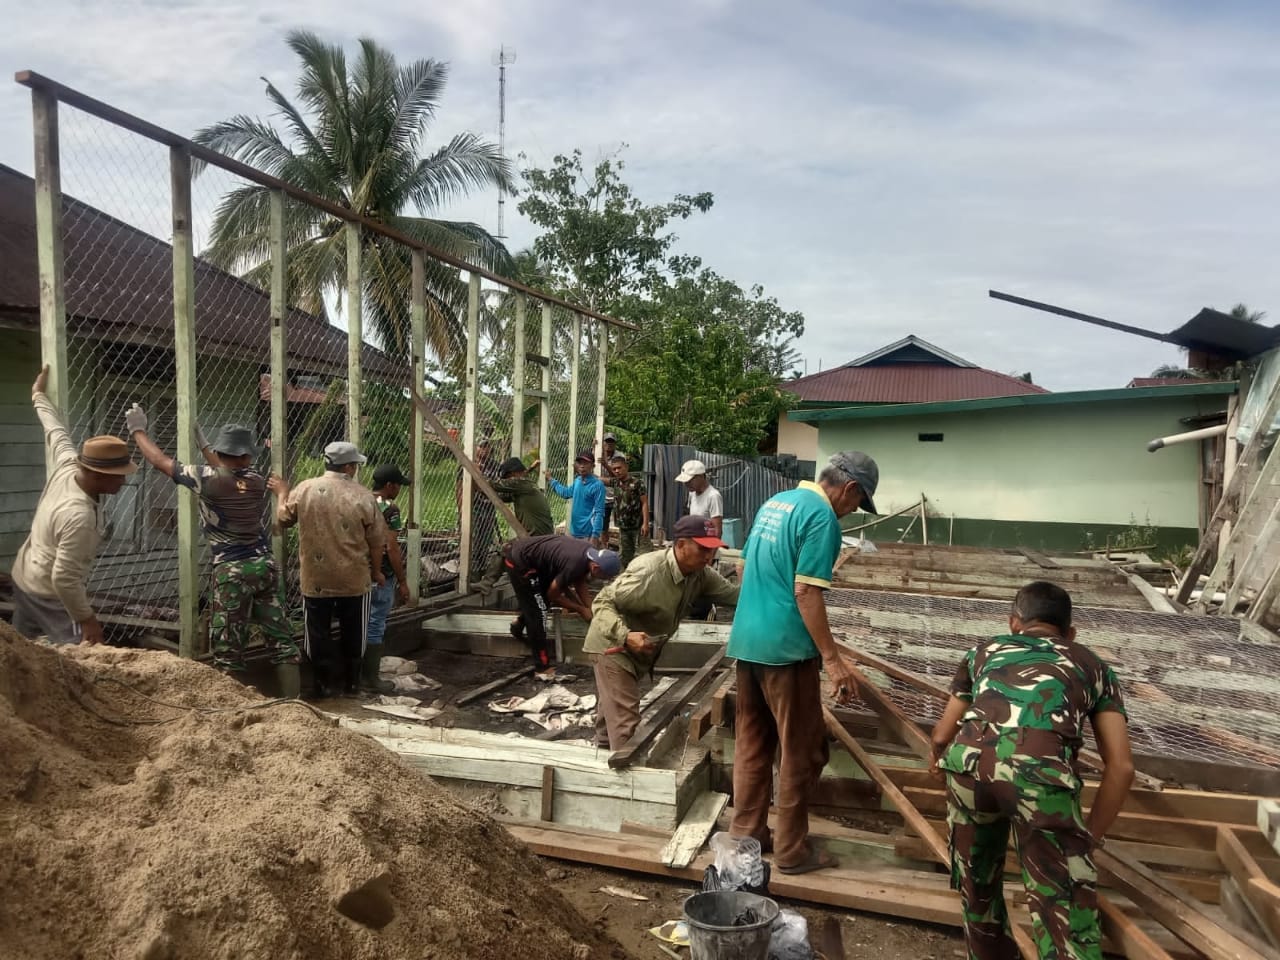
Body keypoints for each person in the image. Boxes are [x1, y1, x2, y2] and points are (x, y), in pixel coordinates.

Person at [929, 581, 1135, 960]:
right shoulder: (1092, 664)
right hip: (1039, 777)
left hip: (967, 769)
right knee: (1062, 900)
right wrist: (1088, 840)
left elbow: (942, 735)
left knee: (978, 886)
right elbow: (1121, 768)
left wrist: (941, 768)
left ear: (1013, 623)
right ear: (1071, 633)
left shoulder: (983, 651)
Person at [727, 451, 880, 875]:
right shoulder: (821, 518)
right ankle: (792, 851)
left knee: (752, 746)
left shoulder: (775, 503)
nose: (852, 512)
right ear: (849, 488)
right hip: (787, 651)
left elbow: (742, 568)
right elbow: (806, 593)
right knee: (801, 752)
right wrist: (833, 660)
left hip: (748, 641)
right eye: (857, 502)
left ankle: (748, 837)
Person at [125, 406, 300, 695]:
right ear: (247, 456)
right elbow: (225, 469)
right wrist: (204, 444)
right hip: (264, 566)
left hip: (232, 571)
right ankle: (294, 704)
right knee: (282, 640)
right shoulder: (256, 480)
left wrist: (138, 430)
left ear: (221, 453)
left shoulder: (204, 479)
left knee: (229, 647)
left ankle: (229, 706)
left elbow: (159, 460)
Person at [585, 515, 738, 750]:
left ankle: (602, 761)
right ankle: (631, 779)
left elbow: (734, 595)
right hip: (612, 647)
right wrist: (625, 635)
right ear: (680, 545)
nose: (709, 557)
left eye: (713, 550)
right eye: (702, 549)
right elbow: (601, 602)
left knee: (612, 713)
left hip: (637, 651)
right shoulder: (648, 574)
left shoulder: (700, 574)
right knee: (627, 728)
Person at [11, 365, 136, 646]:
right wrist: (87, 619)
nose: (123, 482)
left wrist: (38, 396)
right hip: (49, 595)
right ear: (95, 474)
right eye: (118, 477)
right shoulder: (80, 516)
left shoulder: (68, 465)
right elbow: (64, 579)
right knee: (85, 654)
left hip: (23, 576)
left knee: (21, 653)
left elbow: (55, 432)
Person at [272, 442, 385, 699]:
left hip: (316, 577)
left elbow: (283, 518)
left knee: (317, 632)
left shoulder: (305, 489)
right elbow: (377, 541)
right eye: (355, 464)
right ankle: (352, 685)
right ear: (348, 467)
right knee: (355, 631)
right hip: (353, 578)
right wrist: (376, 571)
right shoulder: (363, 496)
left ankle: (321, 685)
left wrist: (282, 492)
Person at [502, 534, 620, 677]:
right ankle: (542, 667)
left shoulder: (588, 553)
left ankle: (519, 623)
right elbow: (553, 595)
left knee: (539, 601)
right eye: (606, 577)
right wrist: (581, 610)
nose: (606, 580)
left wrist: (591, 609)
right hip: (520, 562)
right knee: (539, 613)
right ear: (595, 568)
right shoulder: (575, 564)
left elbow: (579, 582)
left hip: (536, 562)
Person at [473, 455, 555, 596]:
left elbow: (493, 484)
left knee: (506, 549)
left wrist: (476, 474)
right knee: (510, 552)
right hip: (540, 536)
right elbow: (499, 496)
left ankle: (486, 584)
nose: (507, 480)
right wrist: (483, 490)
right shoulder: (525, 487)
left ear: (515, 474)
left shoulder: (521, 483)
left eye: (508, 477)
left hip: (535, 537)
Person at [365, 464, 412, 690]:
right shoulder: (390, 509)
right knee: (375, 624)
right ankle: (371, 679)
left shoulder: (360, 501)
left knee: (357, 623)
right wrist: (402, 581)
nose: (400, 490)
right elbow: (391, 547)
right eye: (399, 485)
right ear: (389, 486)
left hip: (355, 571)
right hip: (381, 574)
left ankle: (354, 675)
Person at [457, 437, 502, 581]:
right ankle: (470, 572)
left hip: (488, 508)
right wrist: (461, 510)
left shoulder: (495, 466)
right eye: (481, 446)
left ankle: (481, 568)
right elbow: (459, 488)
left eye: (486, 447)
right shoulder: (467, 465)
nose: (484, 450)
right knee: (472, 539)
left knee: (486, 540)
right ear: (475, 448)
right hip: (474, 507)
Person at [546, 451, 606, 545]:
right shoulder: (577, 481)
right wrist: (551, 480)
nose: (582, 466)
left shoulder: (598, 485)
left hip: (588, 534)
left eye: (586, 463)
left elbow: (599, 512)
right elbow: (565, 493)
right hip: (574, 532)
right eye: (580, 463)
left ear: (593, 466)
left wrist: (595, 535)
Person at [609, 453, 648, 570]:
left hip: (637, 526)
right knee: (625, 557)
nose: (617, 471)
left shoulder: (637, 483)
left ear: (626, 467)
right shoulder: (615, 482)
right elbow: (599, 479)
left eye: (619, 468)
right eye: (614, 469)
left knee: (642, 555)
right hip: (623, 528)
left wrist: (646, 523)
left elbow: (645, 503)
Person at [675, 459, 723, 538]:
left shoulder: (713, 496)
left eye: (689, 481)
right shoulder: (692, 493)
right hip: (694, 541)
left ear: (700, 477)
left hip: (706, 544)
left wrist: (711, 549)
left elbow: (717, 531)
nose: (686, 484)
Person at [598, 432, 622, 535]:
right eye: (607, 442)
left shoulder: (619, 456)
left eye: (612, 442)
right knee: (603, 525)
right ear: (603, 443)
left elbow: (618, 477)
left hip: (616, 495)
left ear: (615, 444)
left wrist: (605, 465)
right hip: (602, 496)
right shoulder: (597, 453)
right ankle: (604, 545)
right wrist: (594, 446)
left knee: (621, 523)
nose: (609, 444)